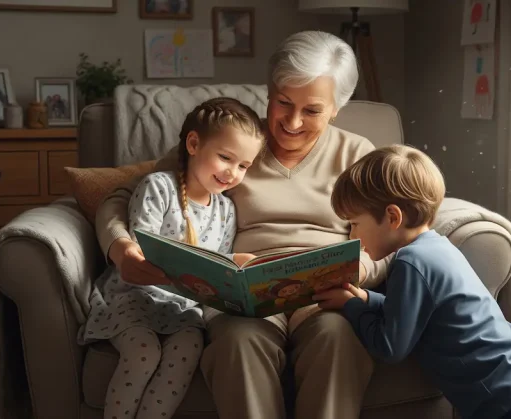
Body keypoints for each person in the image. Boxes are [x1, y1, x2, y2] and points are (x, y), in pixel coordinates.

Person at [95, 30, 392, 419]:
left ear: (337, 107)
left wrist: (361, 272)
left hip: (324, 294)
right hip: (242, 293)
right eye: (283, 102)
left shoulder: (357, 154)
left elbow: (395, 236)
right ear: (269, 91)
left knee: (337, 340)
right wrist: (120, 248)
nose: (292, 121)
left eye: (313, 110)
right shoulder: (232, 140)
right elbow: (119, 198)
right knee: (237, 341)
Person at [313, 145, 511, 419]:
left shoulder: (410, 263)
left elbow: (390, 346)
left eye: (354, 223)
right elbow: (411, 312)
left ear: (392, 217)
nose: (353, 236)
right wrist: (367, 299)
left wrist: (353, 308)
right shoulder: (437, 248)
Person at [78, 97, 266, 419]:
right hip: (134, 295)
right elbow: (143, 246)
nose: (233, 172)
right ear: (194, 144)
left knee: (189, 348)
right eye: (225, 157)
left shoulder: (226, 210)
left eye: (243, 166)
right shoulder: (158, 187)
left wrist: (237, 262)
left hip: (183, 305)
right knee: (143, 353)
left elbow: (215, 261)